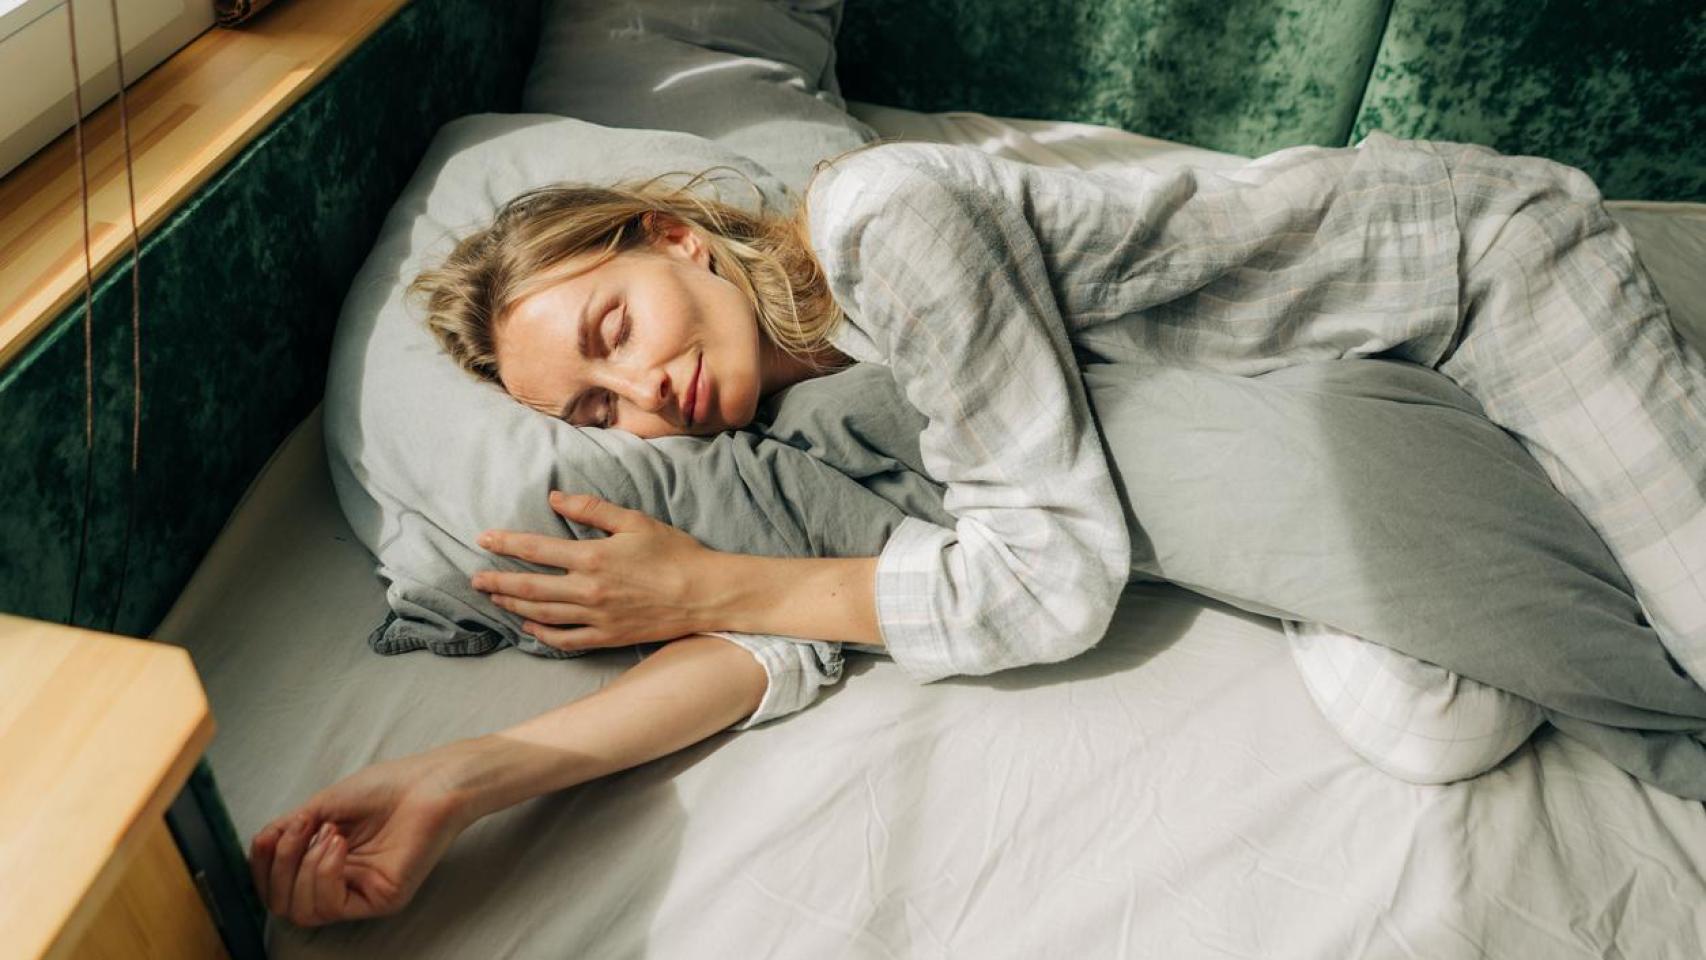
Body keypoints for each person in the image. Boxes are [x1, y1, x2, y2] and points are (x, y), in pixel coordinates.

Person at [249, 134, 1706, 927]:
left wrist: (708, 577)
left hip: (1473, 275)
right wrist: (459, 776)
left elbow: (1045, 585)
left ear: (672, 237)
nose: (646, 401)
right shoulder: (798, 406)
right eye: (597, 408)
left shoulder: (887, 220)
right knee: (1425, 726)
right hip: (1305, 392)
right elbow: (797, 630)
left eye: (612, 330)